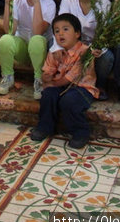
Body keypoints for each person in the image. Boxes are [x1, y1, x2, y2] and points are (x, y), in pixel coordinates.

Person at [29, 13, 98, 148]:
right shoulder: (55, 52)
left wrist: (50, 83)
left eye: (66, 29)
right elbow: (47, 71)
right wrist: (46, 78)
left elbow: (68, 79)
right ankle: (45, 127)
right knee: (48, 95)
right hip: (61, 86)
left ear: (77, 33)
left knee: (69, 100)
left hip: (82, 88)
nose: (61, 33)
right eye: (57, 31)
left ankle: (80, 132)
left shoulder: (85, 52)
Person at [0, 0, 56, 100]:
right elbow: (9, 30)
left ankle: (39, 80)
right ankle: (7, 77)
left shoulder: (49, 4)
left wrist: (36, 3)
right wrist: (7, 5)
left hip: (41, 51)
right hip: (23, 48)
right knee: (5, 39)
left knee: (36, 40)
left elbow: (38, 31)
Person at [57, 0, 113, 100]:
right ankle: (67, 81)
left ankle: (99, 85)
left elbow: (104, 33)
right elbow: (63, 28)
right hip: (72, 45)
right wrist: (79, 48)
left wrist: (95, 48)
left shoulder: (104, 3)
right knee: (55, 47)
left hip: (95, 48)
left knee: (107, 58)